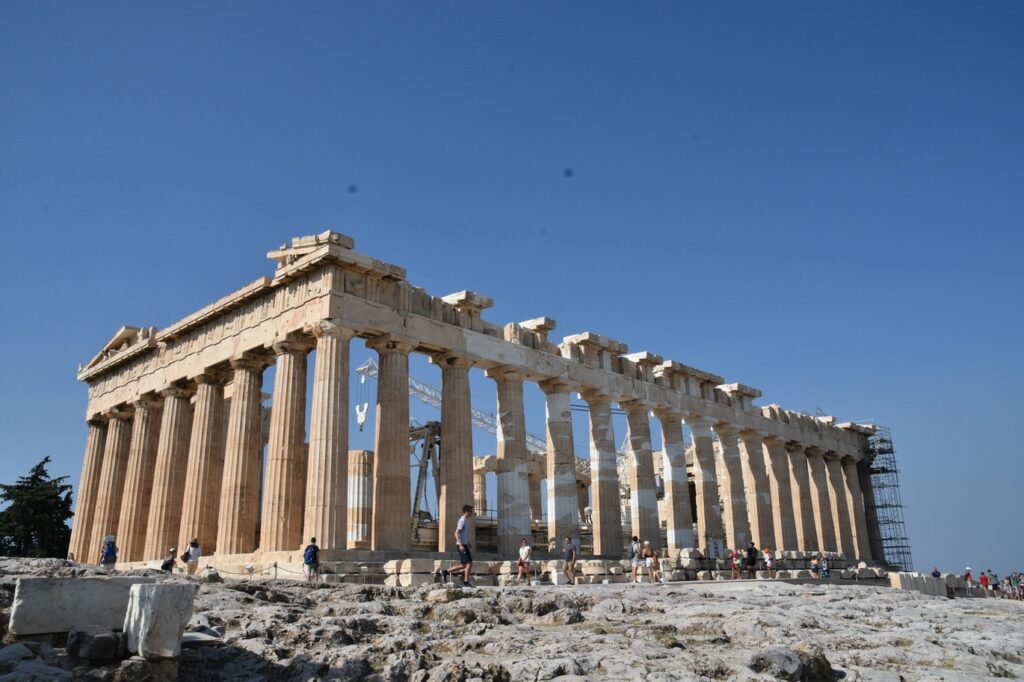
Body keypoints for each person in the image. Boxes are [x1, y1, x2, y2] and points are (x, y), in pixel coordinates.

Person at [441, 505, 475, 587]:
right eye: (471, 511)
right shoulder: (462, 520)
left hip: (464, 544)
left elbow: (463, 534)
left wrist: (468, 543)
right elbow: (456, 533)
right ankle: (466, 582)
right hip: (462, 545)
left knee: (463, 565)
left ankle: (445, 572)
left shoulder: (465, 520)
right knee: (469, 563)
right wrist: (460, 545)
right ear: (466, 511)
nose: (472, 513)